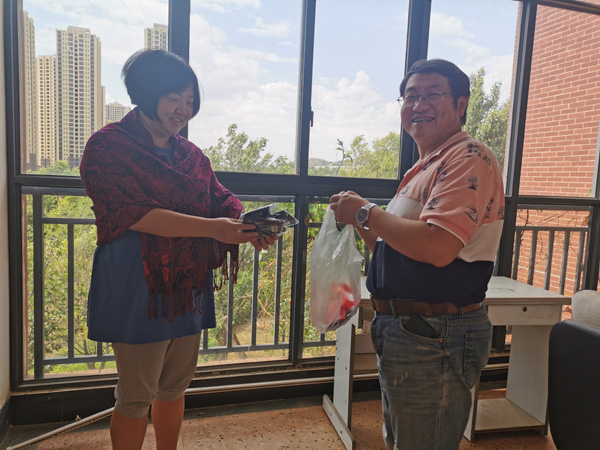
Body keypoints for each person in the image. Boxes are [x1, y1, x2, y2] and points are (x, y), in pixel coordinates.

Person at [80, 49, 276, 450]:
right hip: (138, 287)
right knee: (136, 394)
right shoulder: (107, 147)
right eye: (174, 98)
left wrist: (247, 225)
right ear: (145, 92)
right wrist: (214, 229)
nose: (183, 109)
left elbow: (220, 198)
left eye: (190, 100)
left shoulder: (191, 155)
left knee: (174, 386)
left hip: (186, 286)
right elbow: (135, 214)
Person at [329, 59, 505, 450]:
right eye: (410, 96)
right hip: (408, 330)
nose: (418, 105)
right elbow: (396, 249)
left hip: (434, 334)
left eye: (432, 95)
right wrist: (362, 221)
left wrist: (366, 212)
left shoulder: (468, 157)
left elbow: (438, 248)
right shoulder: (425, 166)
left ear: (461, 104)